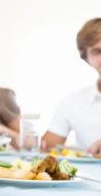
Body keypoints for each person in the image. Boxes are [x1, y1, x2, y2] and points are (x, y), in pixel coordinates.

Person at [42, 18, 101, 155]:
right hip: (87, 176)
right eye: (97, 52)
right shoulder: (73, 102)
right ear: (86, 59)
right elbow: (46, 148)